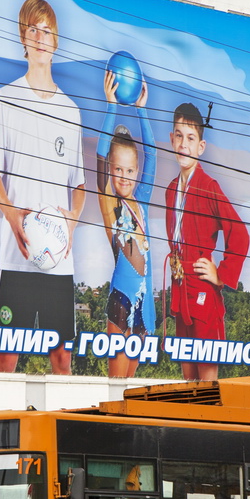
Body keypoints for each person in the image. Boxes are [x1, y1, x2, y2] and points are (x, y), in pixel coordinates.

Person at [0, 0, 85, 375]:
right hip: (18, 256)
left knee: (62, 359)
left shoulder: (71, 111)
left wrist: (71, 222)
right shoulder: (6, 99)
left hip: (58, 261)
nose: (41, 38)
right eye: (33, 30)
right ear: (23, 40)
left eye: (48, 31)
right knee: (6, 357)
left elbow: (79, 184)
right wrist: (12, 217)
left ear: (55, 42)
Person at [163, 102, 250, 381]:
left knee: (206, 377)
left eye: (190, 138)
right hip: (180, 287)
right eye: (178, 136)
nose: (183, 144)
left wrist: (220, 274)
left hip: (202, 288)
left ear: (201, 146)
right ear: (171, 140)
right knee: (187, 375)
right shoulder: (169, 191)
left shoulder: (209, 186)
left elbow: (240, 235)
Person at [96, 70, 155, 378]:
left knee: (130, 385)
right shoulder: (110, 203)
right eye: (117, 168)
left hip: (145, 304)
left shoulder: (142, 200)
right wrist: (111, 107)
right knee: (116, 381)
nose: (123, 176)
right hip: (121, 299)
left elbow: (153, 156)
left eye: (130, 170)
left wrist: (142, 110)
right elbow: (100, 157)